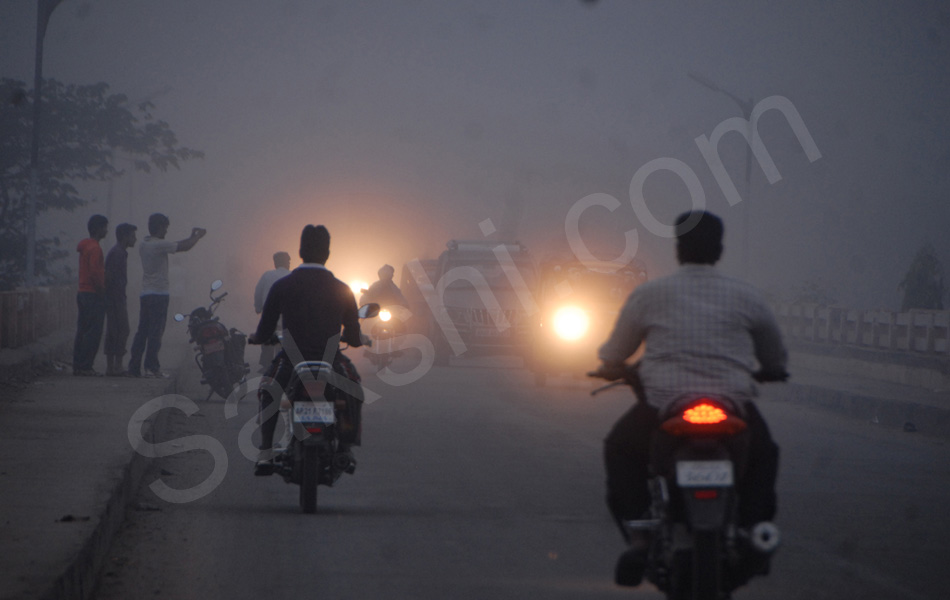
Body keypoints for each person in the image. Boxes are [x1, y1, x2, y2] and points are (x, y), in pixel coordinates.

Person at [595, 210, 787, 586]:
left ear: (679, 248)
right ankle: (753, 528)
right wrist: (771, 370)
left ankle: (639, 538)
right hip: (733, 406)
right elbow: (775, 357)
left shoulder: (650, 294)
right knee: (764, 454)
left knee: (619, 449)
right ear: (720, 249)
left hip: (664, 407)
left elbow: (614, 352)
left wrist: (613, 365)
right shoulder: (747, 296)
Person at [248, 225, 367, 476]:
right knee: (354, 389)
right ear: (328, 253)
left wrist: (258, 338)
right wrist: (356, 340)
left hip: (291, 362)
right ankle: (345, 447)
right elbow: (355, 336)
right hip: (331, 362)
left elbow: (264, 328)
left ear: (300, 251)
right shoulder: (342, 288)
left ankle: (266, 452)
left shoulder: (282, 286)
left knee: (268, 390)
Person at [127, 213, 206, 378]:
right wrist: (197, 237)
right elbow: (184, 247)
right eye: (165, 228)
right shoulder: (158, 245)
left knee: (142, 331)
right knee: (156, 332)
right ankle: (151, 367)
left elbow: (180, 243)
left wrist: (191, 236)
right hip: (159, 294)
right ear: (159, 228)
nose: (166, 231)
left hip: (146, 293)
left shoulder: (144, 244)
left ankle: (134, 366)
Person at [73, 214, 109, 376]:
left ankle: (78, 365)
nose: (106, 231)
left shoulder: (85, 246)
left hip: (82, 292)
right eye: (104, 227)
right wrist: (102, 292)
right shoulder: (95, 248)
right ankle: (86, 366)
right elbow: (95, 273)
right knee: (93, 332)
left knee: (82, 330)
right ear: (97, 229)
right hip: (93, 293)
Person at [103, 223, 138, 376]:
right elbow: (109, 276)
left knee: (116, 330)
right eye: (132, 236)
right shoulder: (117, 253)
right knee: (120, 330)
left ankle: (113, 366)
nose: (135, 239)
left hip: (116, 296)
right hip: (115, 297)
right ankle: (115, 366)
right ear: (125, 237)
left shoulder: (120, 252)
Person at [252, 251, 291, 373]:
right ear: (287, 263)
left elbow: (258, 292)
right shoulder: (293, 276)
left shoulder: (267, 275)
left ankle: (266, 366)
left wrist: (258, 308)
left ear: (275, 263)